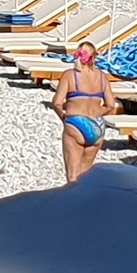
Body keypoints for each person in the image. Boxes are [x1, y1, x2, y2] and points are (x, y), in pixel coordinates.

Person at [52, 41, 114, 183]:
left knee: (72, 177)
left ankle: (71, 205)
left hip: (76, 123)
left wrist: (64, 118)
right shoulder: (102, 77)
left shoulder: (70, 75)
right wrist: (98, 111)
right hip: (97, 125)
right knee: (85, 177)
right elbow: (111, 105)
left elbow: (56, 102)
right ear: (94, 57)